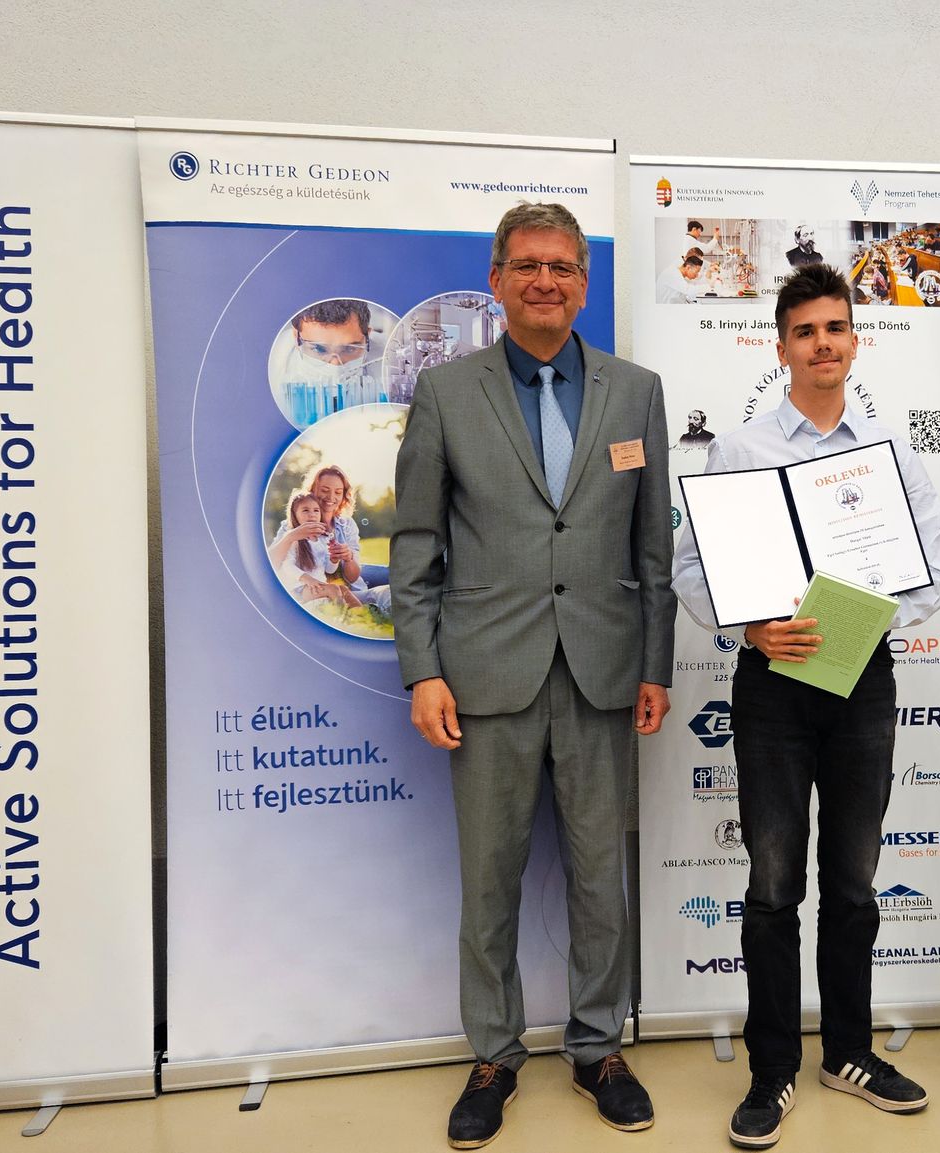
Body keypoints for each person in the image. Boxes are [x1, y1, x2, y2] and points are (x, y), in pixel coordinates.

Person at [391, 201, 675, 1148]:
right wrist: (423, 670)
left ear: (584, 284)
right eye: (528, 266)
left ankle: (598, 1047)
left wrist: (656, 661)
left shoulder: (636, 393)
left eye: (563, 267)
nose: (546, 281)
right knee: (490, 878)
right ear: (499, 280)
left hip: (602, 669)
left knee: (601, 876)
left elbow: (652, 545)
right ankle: (494, 1054)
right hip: (485, 673)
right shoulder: (447, 394)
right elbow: (416, 545)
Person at [671, 263, 940, 1149]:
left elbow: (936, 571)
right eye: (805, 331)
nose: (822, 343)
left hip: (862, 678)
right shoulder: (741, 450)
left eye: (835, 328)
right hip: (772, 685)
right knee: (772, 883)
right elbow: (690, 567)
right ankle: (771, 1069)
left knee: (856, 880)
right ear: (781, 345)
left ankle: (849, 1053)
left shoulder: (892, 453)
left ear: (854, 341)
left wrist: (861, 620)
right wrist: (751, 626)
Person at [305, 464, 387, 609]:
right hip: (326, 593)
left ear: (343, 495)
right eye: (324, 490)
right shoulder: (296, 524)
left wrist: (348, 558)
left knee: (394, 583)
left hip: (354, 589)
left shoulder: (347, 524)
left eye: (338, 492)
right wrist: (293, 535)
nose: (331, 497)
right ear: (312, 490)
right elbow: (275, 563)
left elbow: (353, 578)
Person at [268, 490, 358, 607]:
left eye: (316, 510)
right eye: (305, 510)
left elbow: (329, 570)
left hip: (318, 585)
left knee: (344, 590)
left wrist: (334, 560)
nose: (312, 514)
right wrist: (308, 579)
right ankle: (343, 616)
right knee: (334, 589)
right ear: (294, 515)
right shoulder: (293, 538)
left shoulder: (323, 539)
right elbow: (287, 566)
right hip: (299, 588)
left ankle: (363, 613)